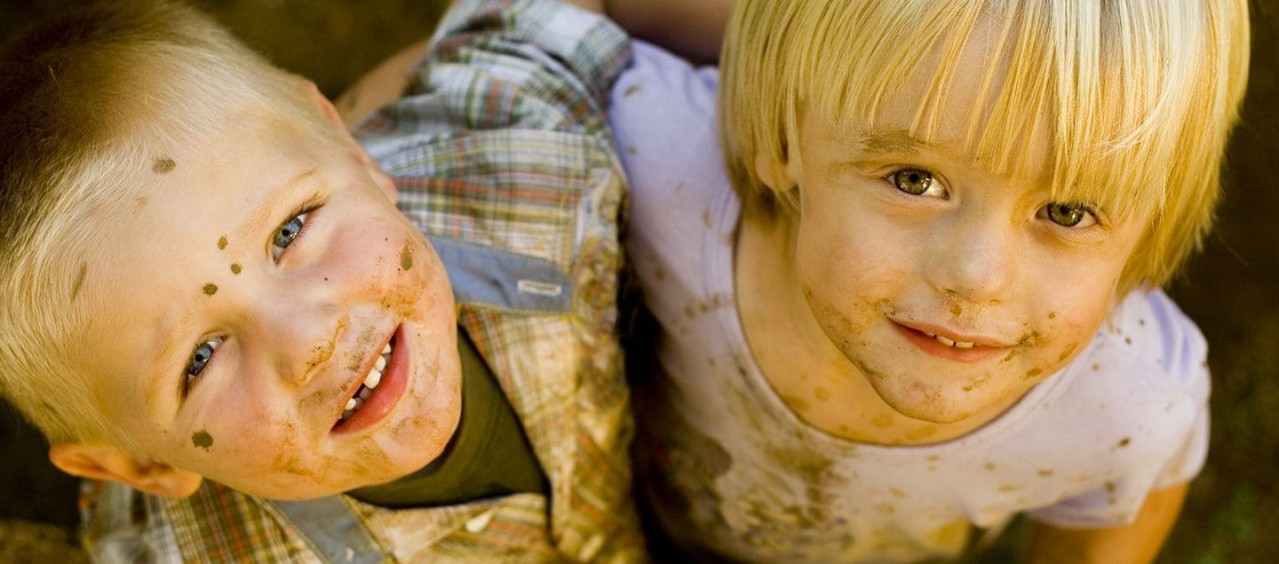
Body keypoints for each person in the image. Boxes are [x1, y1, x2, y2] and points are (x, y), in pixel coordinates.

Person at [605, 0, 1251, 561]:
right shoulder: (651, 165)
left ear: (1147, 226)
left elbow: (1130, 493)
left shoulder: (1127, 401)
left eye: (1066, 213)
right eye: (913, 179)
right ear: (782, 140)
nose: (976, 278)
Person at [0, 0, 644, 561]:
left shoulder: (526, 157)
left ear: (354, 151)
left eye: (290, 231)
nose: (310, 343)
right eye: (201, 359)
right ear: (140, 467)